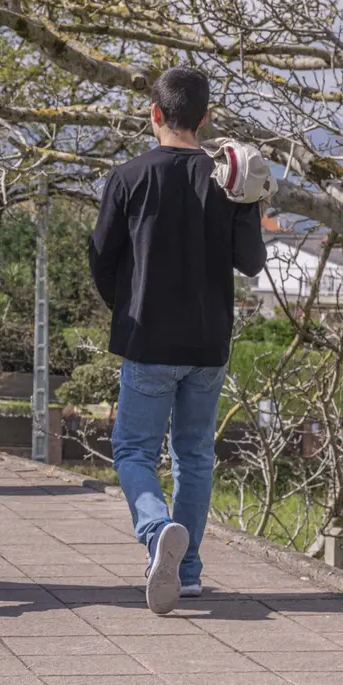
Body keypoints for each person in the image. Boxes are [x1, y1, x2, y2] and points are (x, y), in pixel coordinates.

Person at [89, 67, 267, 615]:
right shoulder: (230, 180)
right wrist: (250, 208)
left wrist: (125, 302)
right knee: (194, 456)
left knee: (132, 449)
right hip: (208, 341)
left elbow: (102, 258)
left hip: (147, 338)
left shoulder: (128, 176)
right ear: (206, 117)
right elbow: (252, 262)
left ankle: (157, 528)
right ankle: (186, 571)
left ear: (155, 114)